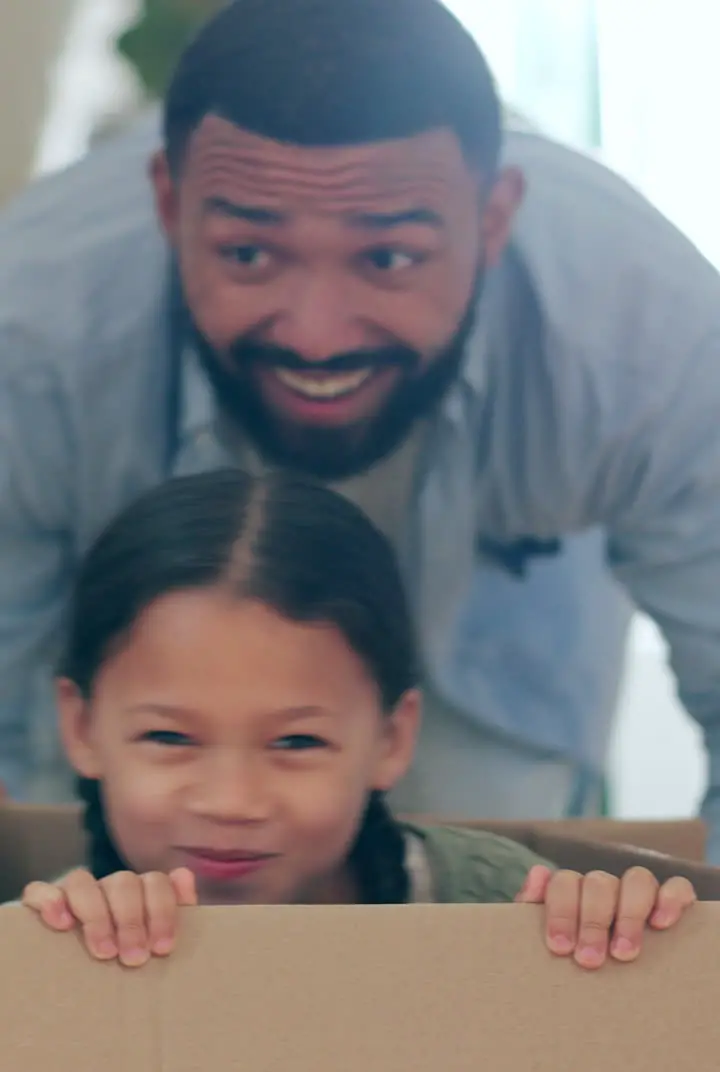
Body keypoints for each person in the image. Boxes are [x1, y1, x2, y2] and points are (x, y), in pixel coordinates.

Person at [3, 0, 720, 852]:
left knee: (485, 891)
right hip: (121, 789)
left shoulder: (649, 337)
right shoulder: (29, 333)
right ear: (169, 205)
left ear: (493, 220)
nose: (317, 333)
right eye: (248, 254)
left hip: (493, 729)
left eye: (388, 258)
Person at [21, 470, 694, 966]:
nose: (231, 801)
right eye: (169, 736)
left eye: (296, 740)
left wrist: (623, 935)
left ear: (390, 738)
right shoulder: (48, 939)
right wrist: (65, 970)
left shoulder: (509, 907)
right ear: (82, 730)